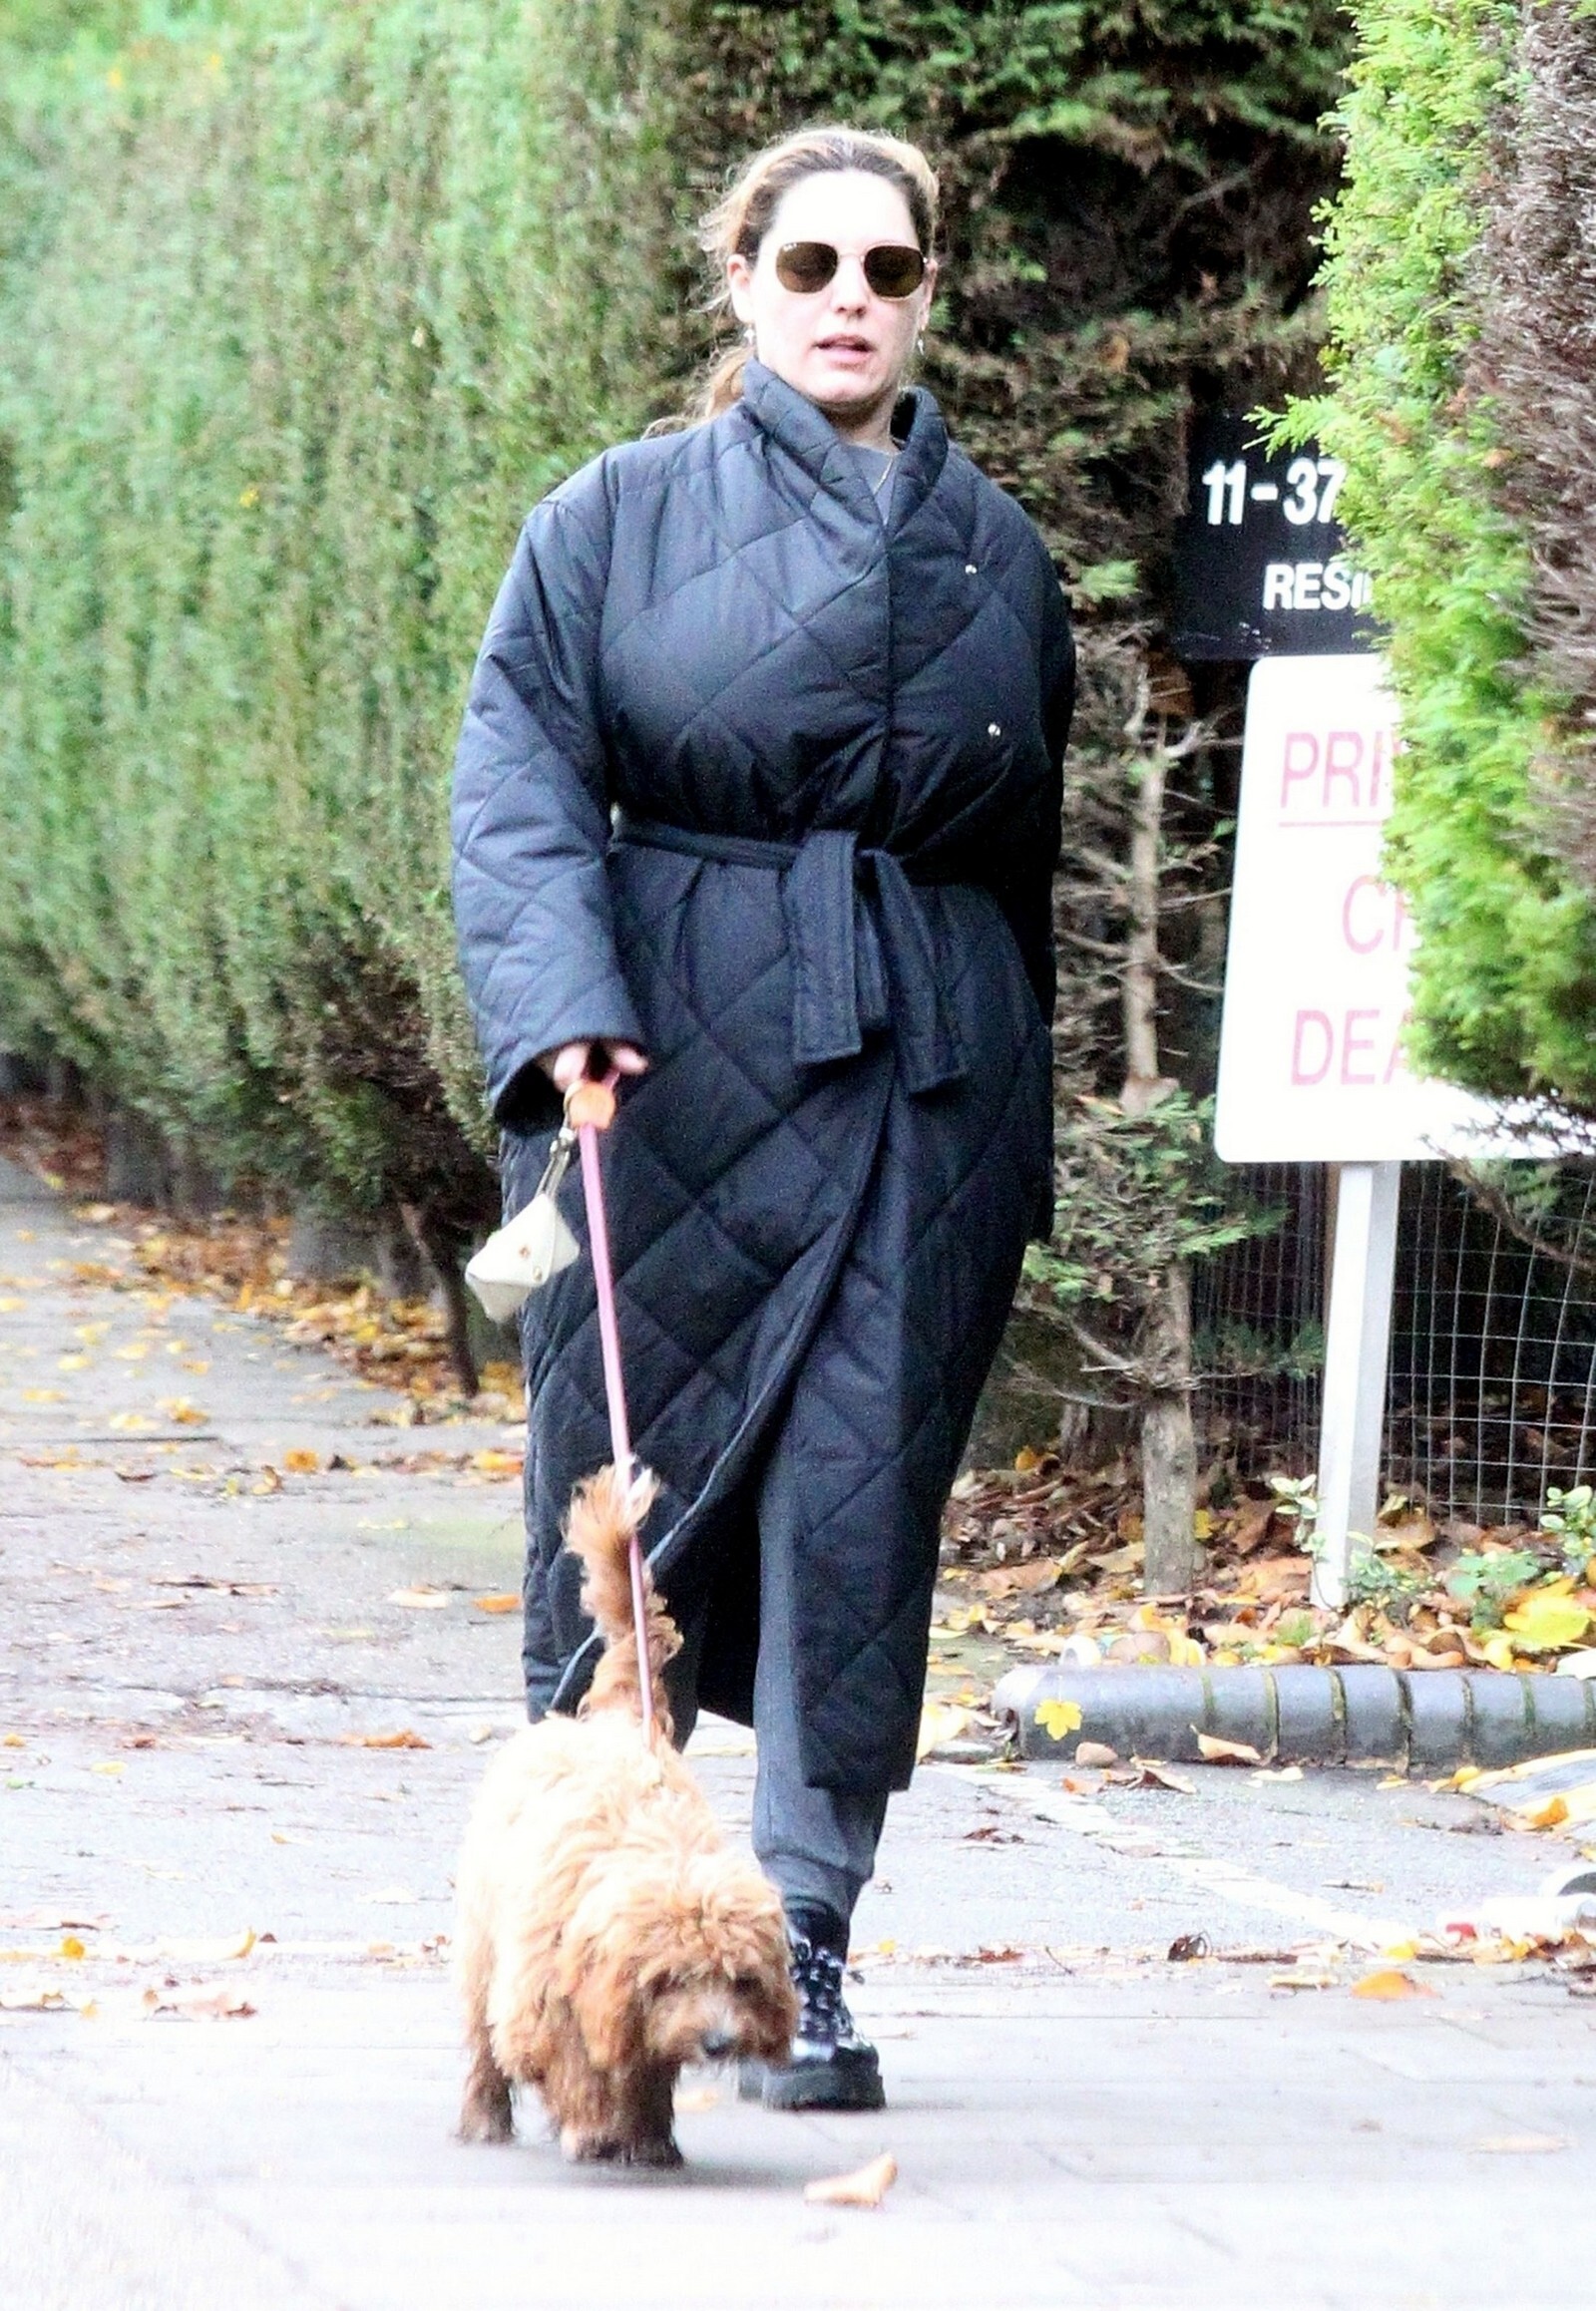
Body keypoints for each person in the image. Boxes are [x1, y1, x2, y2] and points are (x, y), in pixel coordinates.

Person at [452, 123, 1074, 2113]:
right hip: (666, 1079)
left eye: (887, 269)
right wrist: (562, 1013)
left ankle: (803, 1927)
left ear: (926, 292)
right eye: (810, 266)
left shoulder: (1000, 553)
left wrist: (1013, 1114)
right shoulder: (614, 518)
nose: (848, 302)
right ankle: (578, 1925)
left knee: (859, 1508)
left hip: (921, 1084)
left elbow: (1020, 855)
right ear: (743, 283)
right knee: (623, 1504)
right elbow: (518, 779)